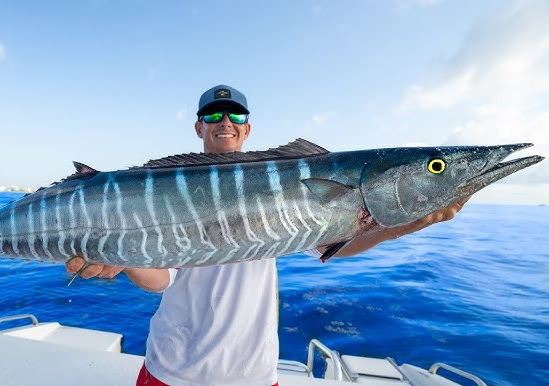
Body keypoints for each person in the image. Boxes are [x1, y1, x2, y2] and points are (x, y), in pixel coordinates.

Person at [66, 84, 469, 385]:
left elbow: (334, 246)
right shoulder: (164, 189)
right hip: (172, 369)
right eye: (214, 115)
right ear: (199, 126)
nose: (226, 122)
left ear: (247, 129)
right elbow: (160, 279)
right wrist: (124, 261)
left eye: (236, 116)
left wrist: (409, 223)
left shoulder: (283, 180)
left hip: (251, 373)